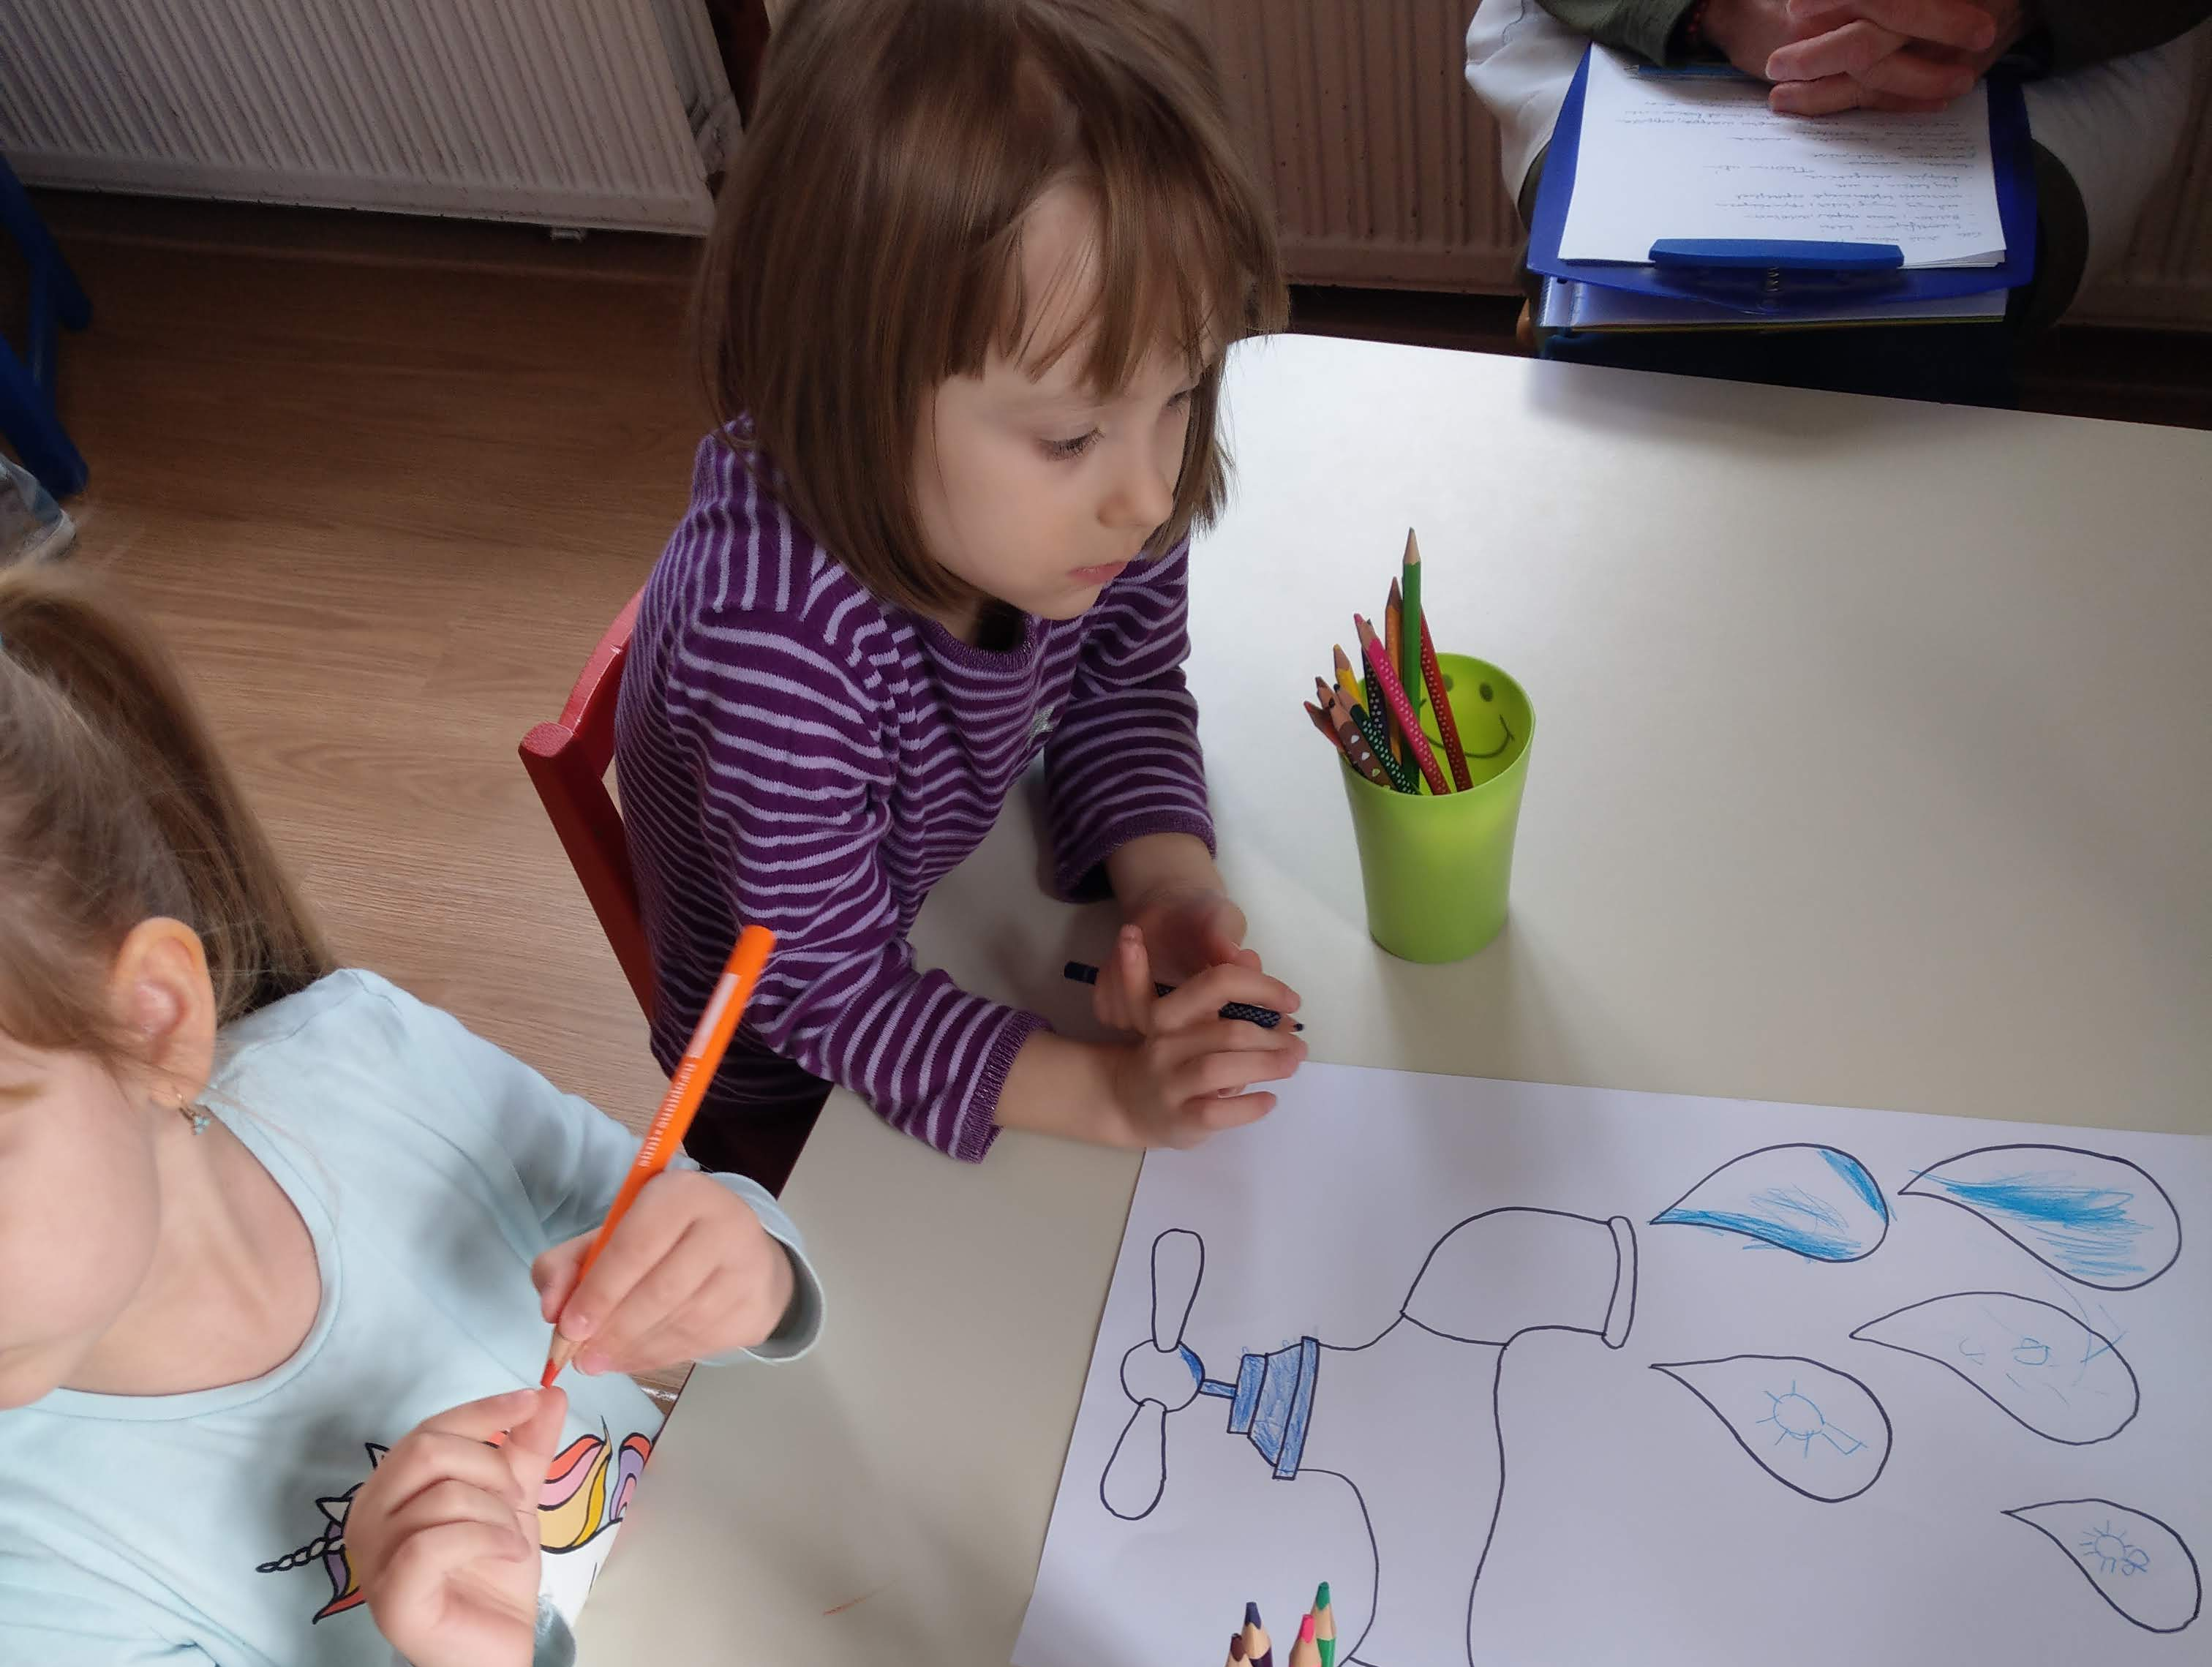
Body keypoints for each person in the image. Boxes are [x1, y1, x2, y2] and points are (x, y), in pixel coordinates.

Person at [0, 570, 821, 1667]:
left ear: (153, 1025)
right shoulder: (30, 1581)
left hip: (803, 1649)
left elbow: (683, 1223)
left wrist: (749, 1269)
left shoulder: (365, 1059)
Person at [614, 0, 1301, 1181]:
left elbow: (1123, 690)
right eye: (1070, 435)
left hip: (941, 916)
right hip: (793, 1089)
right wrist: (1111, 1095)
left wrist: (1167, 891)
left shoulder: (1097, 497)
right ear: (853, 381)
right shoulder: (776, 649)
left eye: (1184, 390)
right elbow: (823, 994)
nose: (1148, 492)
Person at [1467, 0, 2211, 336]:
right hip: (1653, 39)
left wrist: (2003, 12)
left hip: (2035, 56)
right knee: (1644, 296)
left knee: (1925, 321)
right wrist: (1712, 12)